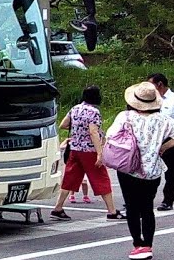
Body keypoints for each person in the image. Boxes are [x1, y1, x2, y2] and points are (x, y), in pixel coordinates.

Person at [106, 82, 174, 260]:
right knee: (147, 208)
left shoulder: (125, 116)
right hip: (152, 170)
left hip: (128, 168)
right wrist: (165, 146)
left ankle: (138, 244)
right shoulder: (162, 119)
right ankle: (148, 245)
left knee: (132, 207)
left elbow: (110, 136)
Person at [49, 86, 121, 221]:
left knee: (70, 178)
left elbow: (63, 125)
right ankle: (112, 211)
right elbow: (93, 132)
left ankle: (58, 208)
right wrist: (99, 153)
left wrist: (77, 130)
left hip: (75, 148)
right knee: (101, 178)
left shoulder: (75, 108)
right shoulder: (94, 112)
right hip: (89, 150)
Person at [149, 73, 174, 211]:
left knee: (171, 173)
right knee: (149, 170)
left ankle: (168, 200)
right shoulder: (151, 100)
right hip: (154, 139)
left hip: (171, 139)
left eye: (152, 84)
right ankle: (146, 198)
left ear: (159, 84)